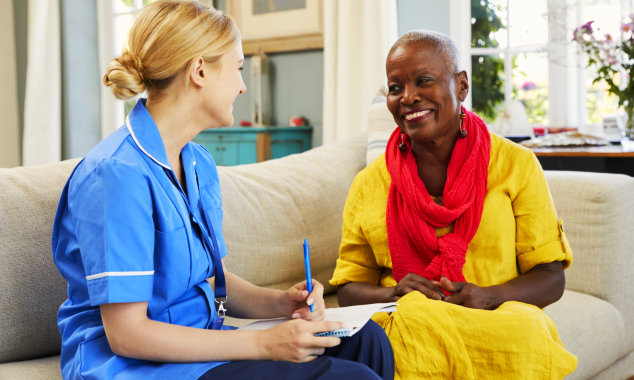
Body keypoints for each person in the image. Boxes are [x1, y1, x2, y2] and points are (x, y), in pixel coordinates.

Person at [51, 1, 394, 379]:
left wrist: (283, 303)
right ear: (199, 70)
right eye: (238, 68)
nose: (243, 85)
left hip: (203, 344)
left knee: (368, 340)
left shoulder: (198, 164)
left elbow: (215, 283)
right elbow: (127, 335)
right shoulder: (115, 175)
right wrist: (264, 343)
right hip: (136, 367)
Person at [329, 30, 578, 379]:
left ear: (461, 85)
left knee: (526, 330)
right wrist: (394, 292)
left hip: (496, 315)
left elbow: (551, 278)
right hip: (410, 318)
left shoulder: (515, 165)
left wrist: (488, 297)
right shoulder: (370, 182)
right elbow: (349, 289)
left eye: (424, 81)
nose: (408, 97)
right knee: (408, 326)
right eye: (396, 87)